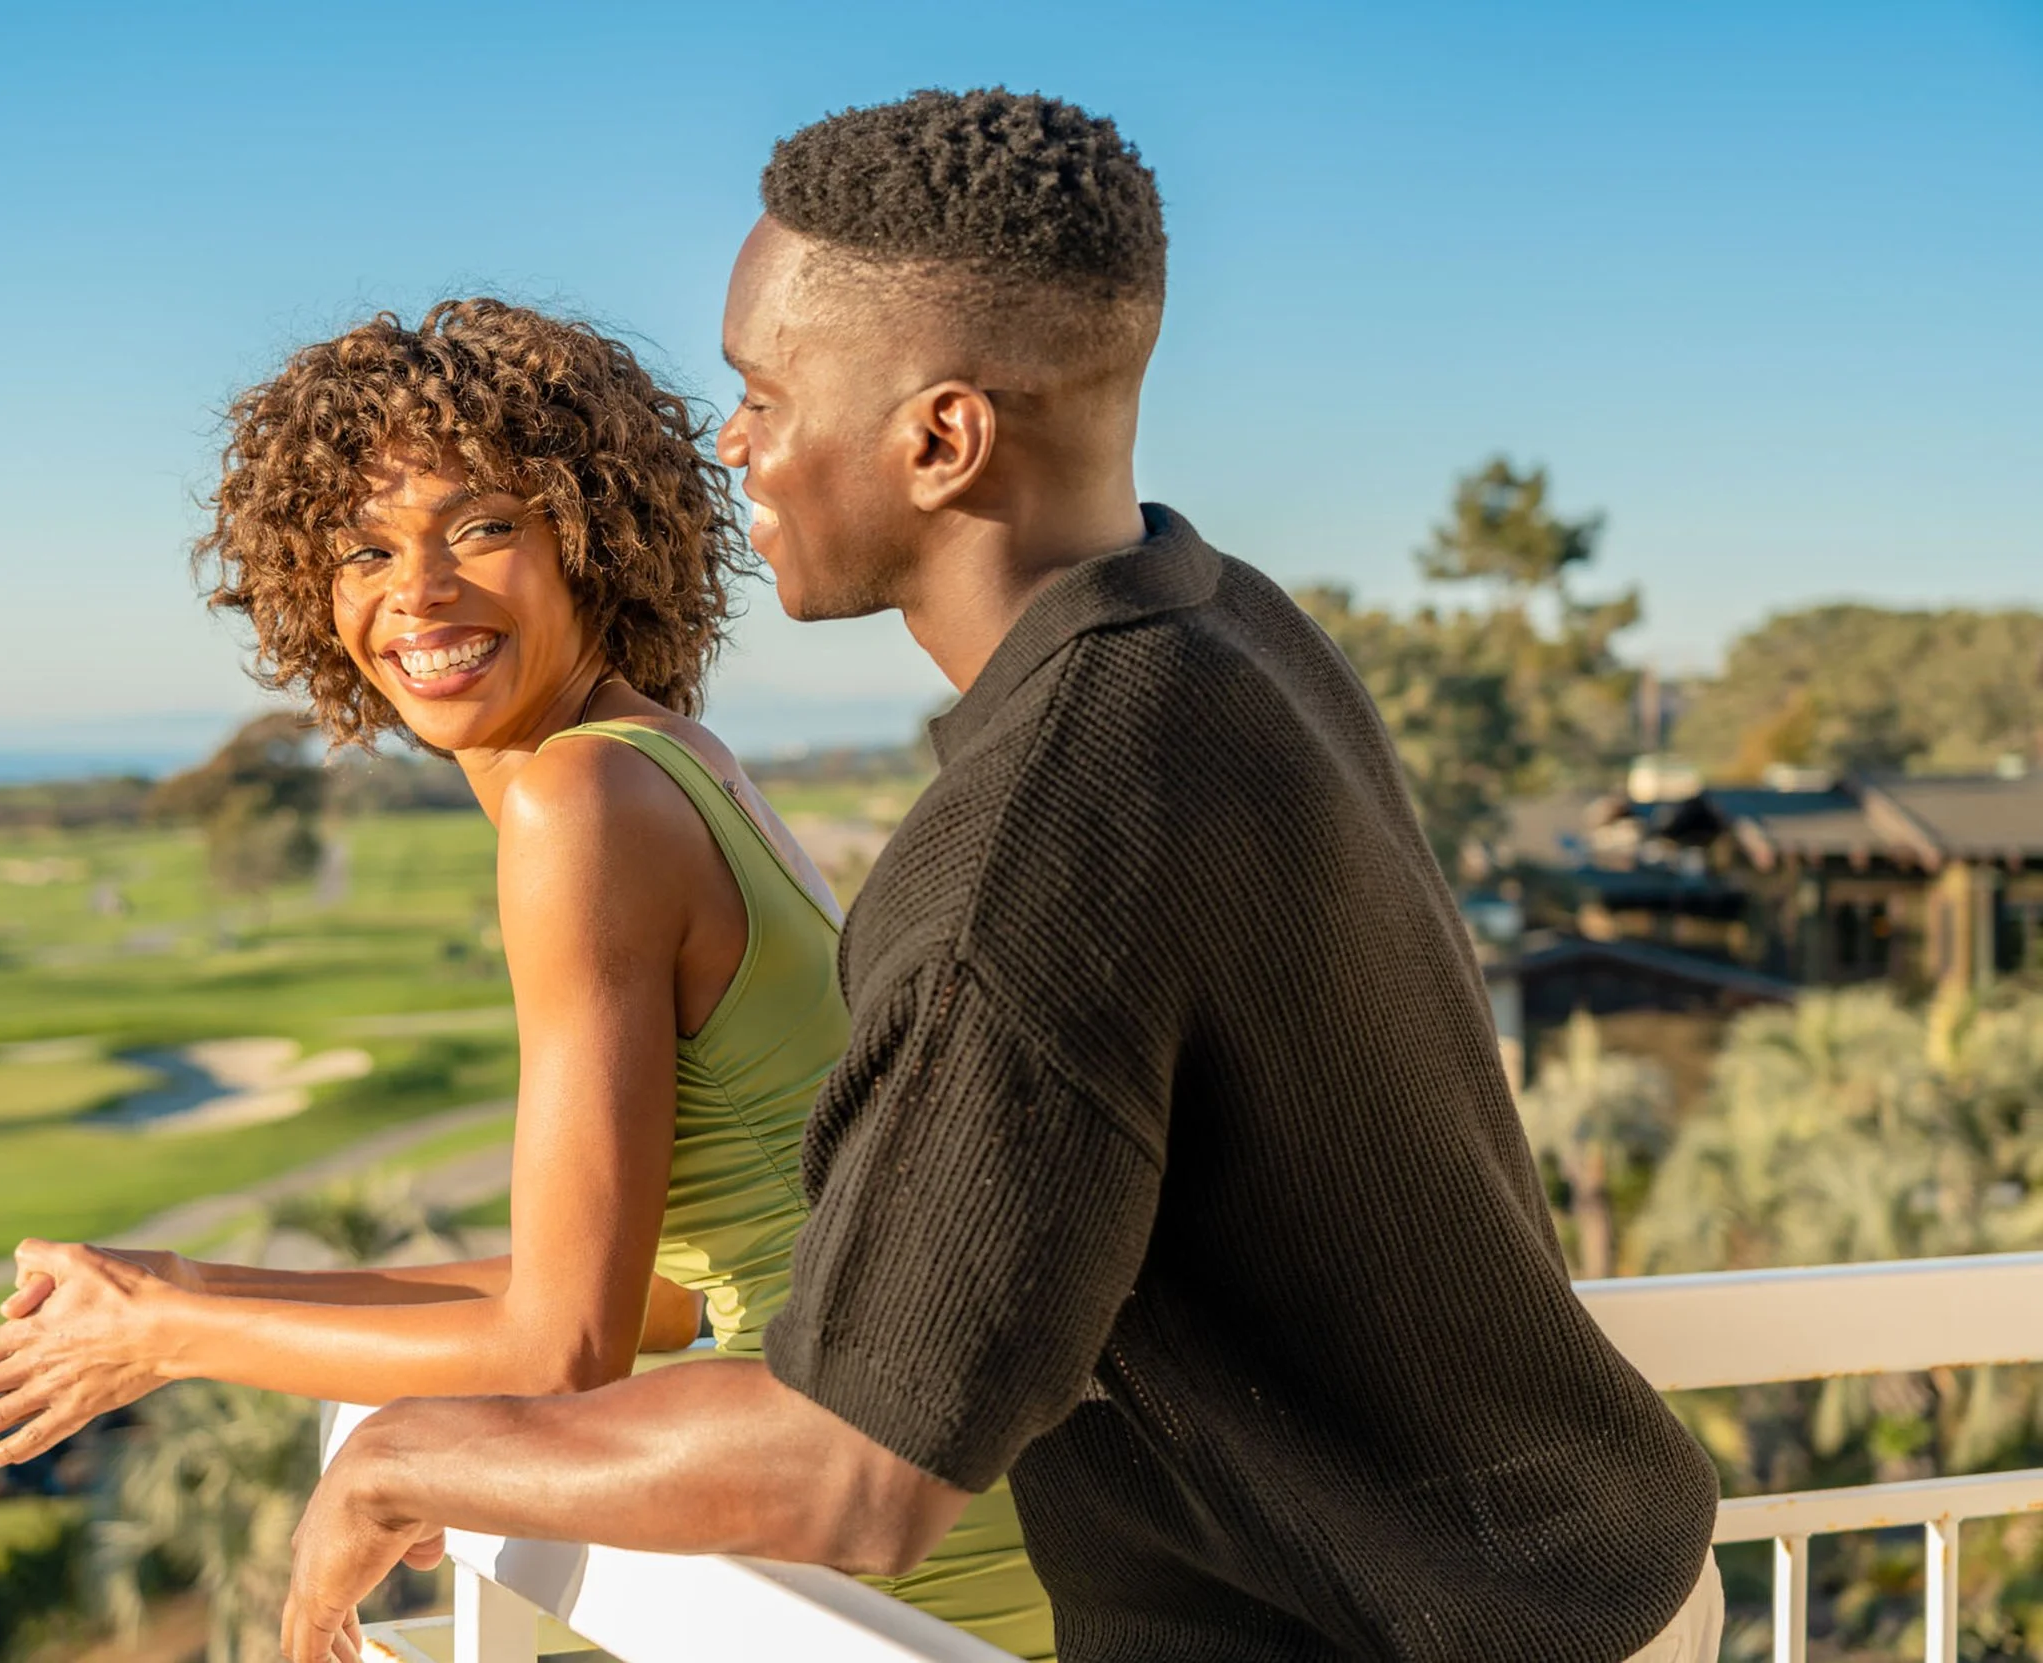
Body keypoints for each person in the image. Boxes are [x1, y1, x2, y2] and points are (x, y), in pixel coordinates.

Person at [282, 90, 1725, 1663]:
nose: (733, 442)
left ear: (941, 440)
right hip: (1595, 1578)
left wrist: (396, 1460)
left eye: (765, 394)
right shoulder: (1230, 631)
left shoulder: (1026, 857)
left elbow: (857, 1467)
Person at [0, 298, 1054, 1660]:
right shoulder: (675, 759)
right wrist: (187, 1285)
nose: (419, 592)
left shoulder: (583, 803)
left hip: (853, 1570)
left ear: (594, 539)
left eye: (483, 528)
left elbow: (561, 1353)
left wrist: (167, 1336)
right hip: (935, 1520)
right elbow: (661, 1294)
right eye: (365, 550)